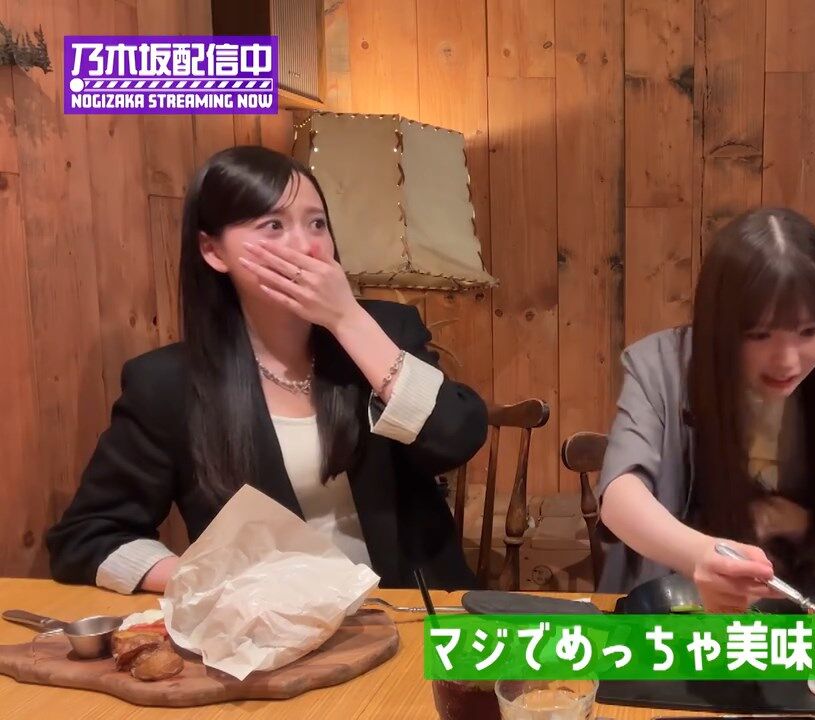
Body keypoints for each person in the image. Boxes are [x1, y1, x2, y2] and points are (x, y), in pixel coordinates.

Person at [46, 146, 488, 594]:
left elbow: (455, 438)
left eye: (317, 224)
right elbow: (87, 538)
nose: (306, 246)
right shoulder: (166, 384)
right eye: (273, 226)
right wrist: (210, 579)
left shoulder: (381, 331)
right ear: (213, 250)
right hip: (275, 624)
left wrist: (347, 320)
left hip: (419, 609)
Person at [596, 207, 815, 611]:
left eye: (810, 331)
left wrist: (790, 519)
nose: (787, 361)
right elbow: (620, 495)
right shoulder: (661, 367)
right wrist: (702, 554)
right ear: (718, 321)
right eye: (759, 334)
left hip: (792, 614)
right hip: (666, 605)